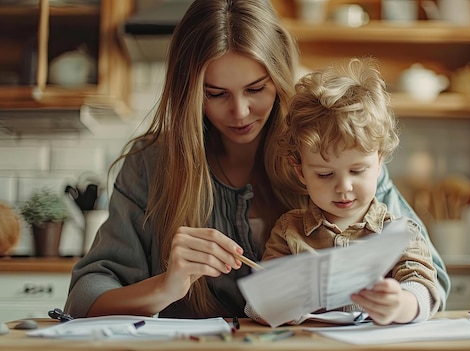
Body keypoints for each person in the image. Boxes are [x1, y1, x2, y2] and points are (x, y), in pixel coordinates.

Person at [64, 0, 449, 319]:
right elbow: (85, 297)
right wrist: (166, 285)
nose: (240, 111)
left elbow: (430, 275)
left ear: (278, 78)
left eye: (255, 89)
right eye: (216, 94)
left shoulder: (330, 148)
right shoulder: (150, 165)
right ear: (190, 94)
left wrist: (398, 300)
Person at [250, 58, 440, 325]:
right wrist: (280, 307)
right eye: (325, 174)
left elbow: (424, 289)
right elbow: (257, 304)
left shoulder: (399, 232)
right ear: (300, 171)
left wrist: (402, 304)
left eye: (358, 170)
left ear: (379, 161)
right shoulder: (288, 231)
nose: (343, 187)